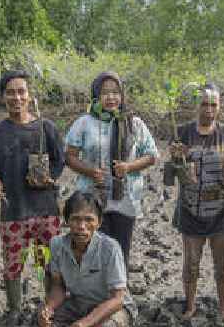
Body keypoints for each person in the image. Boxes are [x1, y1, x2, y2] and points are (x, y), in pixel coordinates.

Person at [0, 70, 65, 314]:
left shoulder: (45, 128)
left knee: (49, 264)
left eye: (21, 91)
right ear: (2, 97)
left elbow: (60, 161)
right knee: (13, 266)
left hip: (46, 212)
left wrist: (51, 178)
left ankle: (52, 311)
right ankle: (14, 313)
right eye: (10, 92)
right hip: (14, 212)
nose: (16, 97)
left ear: (29, 96)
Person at [65, 72, 158, 270]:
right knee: (92, 247)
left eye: (115, 92)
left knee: (121, 248)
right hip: (92, 196)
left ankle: (119, 294)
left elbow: (151, 155)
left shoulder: (134, 124)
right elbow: (69, 156)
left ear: (122, 95)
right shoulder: (84, 123)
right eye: (105, 93)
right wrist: (90, 170)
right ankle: (93, 294)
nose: (111, 97)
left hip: (126, 197)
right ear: (96, 96)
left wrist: (128, 167)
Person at [169, 84, 224, 320]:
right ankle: (190, 307)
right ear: (195, 106)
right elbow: (171, 176)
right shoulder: (182, 133)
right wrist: (177, 157)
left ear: (220, 107)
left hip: (222, 209)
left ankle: (223, 309)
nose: (208, 110)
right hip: (191, 208)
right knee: (191, 264)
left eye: (213, 105)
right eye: (204, 104)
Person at [38, 191, 136, 327]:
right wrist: (48, 308)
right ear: (67, 221)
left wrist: (82, 325)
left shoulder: (110, 248)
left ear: (99, 222)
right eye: (76, 219)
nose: (82, 226)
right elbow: (58, 287)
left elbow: (117, 299)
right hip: (79, 302)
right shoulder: (57, 245)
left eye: (89, 219)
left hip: (111, 306)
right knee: (45, 320)